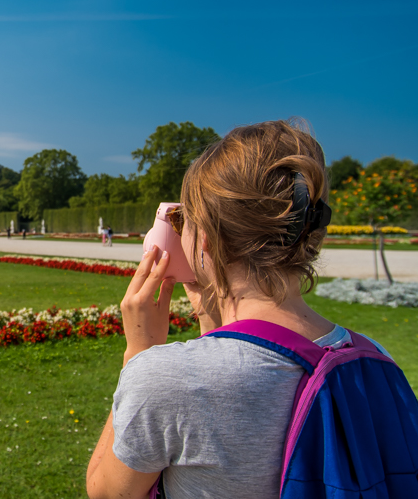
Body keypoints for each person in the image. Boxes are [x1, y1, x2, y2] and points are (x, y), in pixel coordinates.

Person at [86, 120, 393, 499]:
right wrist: (210, 323)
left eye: (182, 220)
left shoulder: (166, 378)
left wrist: (139, 355)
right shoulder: (374, 357)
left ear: (206, 238)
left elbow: (106, 492)